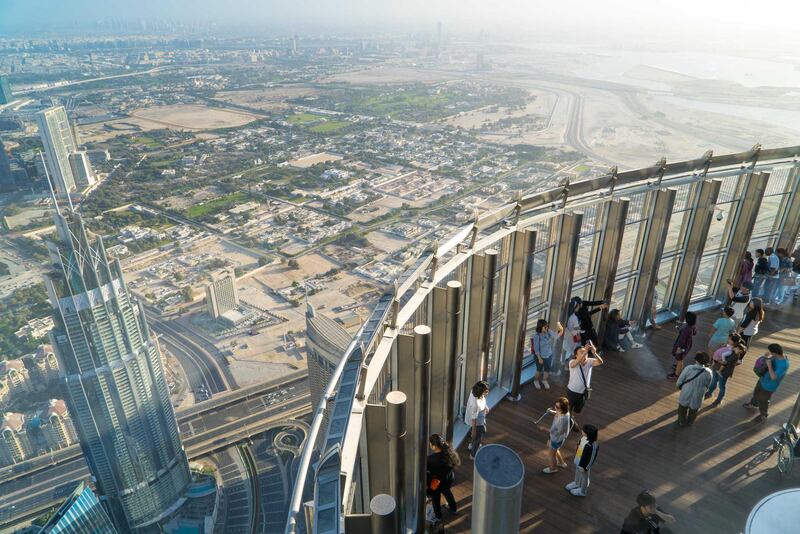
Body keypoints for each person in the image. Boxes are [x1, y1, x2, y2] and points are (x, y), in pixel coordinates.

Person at [744, 343, 789, 422]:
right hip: (762, 379)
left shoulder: (784, 364)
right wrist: (765, 357)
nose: (771, 354)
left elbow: (774, 377)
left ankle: (763, 415)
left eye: (771, 352)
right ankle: (754, 404)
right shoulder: (775, 357)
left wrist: (769, 366)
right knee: (756, 392)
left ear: (774, 353)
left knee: (763, 400)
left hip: (769, 386)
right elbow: (768, 361)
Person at [566, 343, 603, 426]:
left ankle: (571, 419)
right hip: (572, 391)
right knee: (568, 409)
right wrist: (585, 350)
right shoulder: (572, 361)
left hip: (582, 393)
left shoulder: (589, 361)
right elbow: (573, 365)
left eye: (585, 352)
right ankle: (571, 423)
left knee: (578, 410)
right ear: (576, 355)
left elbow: (600, 362)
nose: (585, 353)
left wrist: (594, 353)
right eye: (581, 352)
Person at [426, 434, 460, 521]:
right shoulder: (449, 453)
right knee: (448, 493)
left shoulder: (430, 459)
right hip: (448, 479)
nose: (430, 445)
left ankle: (438, 516)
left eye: (430, 444)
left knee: (435, 499)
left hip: (436, 483)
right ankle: (453, 508)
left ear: (434, 446)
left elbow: (426, 471)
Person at [676, 352, 712, 427]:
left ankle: (681, 421)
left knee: (682, 407)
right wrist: (705, 391)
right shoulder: (708, 372)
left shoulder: (689, 368)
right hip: (699, 393)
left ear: (696, 360)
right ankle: (690, 421)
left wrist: (678, 386)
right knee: (694, 409)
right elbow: (708, 384)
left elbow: (681, 379)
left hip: (687, 390)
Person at [706, 340, 746, 408]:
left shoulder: (735, 355)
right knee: (714, 381)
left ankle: (718, 400)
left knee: (721, 386)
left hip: (724, 372)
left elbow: (725, 362)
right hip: (718, 369)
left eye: (738, 349)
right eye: (736, 348)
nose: (736, 349)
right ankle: (709, 393)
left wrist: (716, 360)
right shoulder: (731, 351)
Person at [565, 424, 598, 497]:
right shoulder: (583, 438)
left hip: (584, 466)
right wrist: (576, 458)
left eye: (583, 430)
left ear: (587, 433)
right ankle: (576, 483)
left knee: (584, 478)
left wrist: (586, 468)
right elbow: (580, 447)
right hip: (578, 461)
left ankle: (583, 491)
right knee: (577, 473)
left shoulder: (593, 445)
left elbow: (592, 458)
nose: (581, 431)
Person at [542, 397, 571, 474]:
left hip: (556, 438)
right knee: (555, 450)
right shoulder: (565, 412)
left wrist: (546, 429)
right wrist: (552, 411)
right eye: (555, 405)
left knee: (551, 455)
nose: (555, 408)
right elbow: (558, 412)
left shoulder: (562, 419)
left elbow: (559, 432)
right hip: (558, 438)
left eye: (557, 407)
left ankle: (553, 468)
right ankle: (561, 463)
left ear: (563, 408)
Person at [531, 319, 560, 390]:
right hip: (540, 357)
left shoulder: (548, 332)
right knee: (539, 370)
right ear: (540, 327)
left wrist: (561, 330)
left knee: (547, 369)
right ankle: (536, 381)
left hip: (549, 355)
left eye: (547, 326)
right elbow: (536, 349)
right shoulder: (537, 336)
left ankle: (544, 380)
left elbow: (556, 336)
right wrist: (539, 358)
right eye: (545, 327)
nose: (547, 328)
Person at [667, 311, 696, 380]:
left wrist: (678, 348)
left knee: (679, 359)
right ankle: (679, 367)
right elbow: (694, 333)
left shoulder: (686, 329)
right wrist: (680, 329)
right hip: (687, 345)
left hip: (682, 346)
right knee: (681, 358)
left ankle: (677, 374)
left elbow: (682, 340)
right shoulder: (692, 326)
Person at [465, 380, 489, 459]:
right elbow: (474, 419)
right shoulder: (476, 404)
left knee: (479, 434)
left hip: (480, 417)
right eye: (486, 391)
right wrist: (474, 431)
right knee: (478, 437)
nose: (487, 392)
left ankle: (471, 445)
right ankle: (473, 455)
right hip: (478, 421)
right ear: (481, 392)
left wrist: (485, 406)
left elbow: (482, 400)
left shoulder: (473, 392)